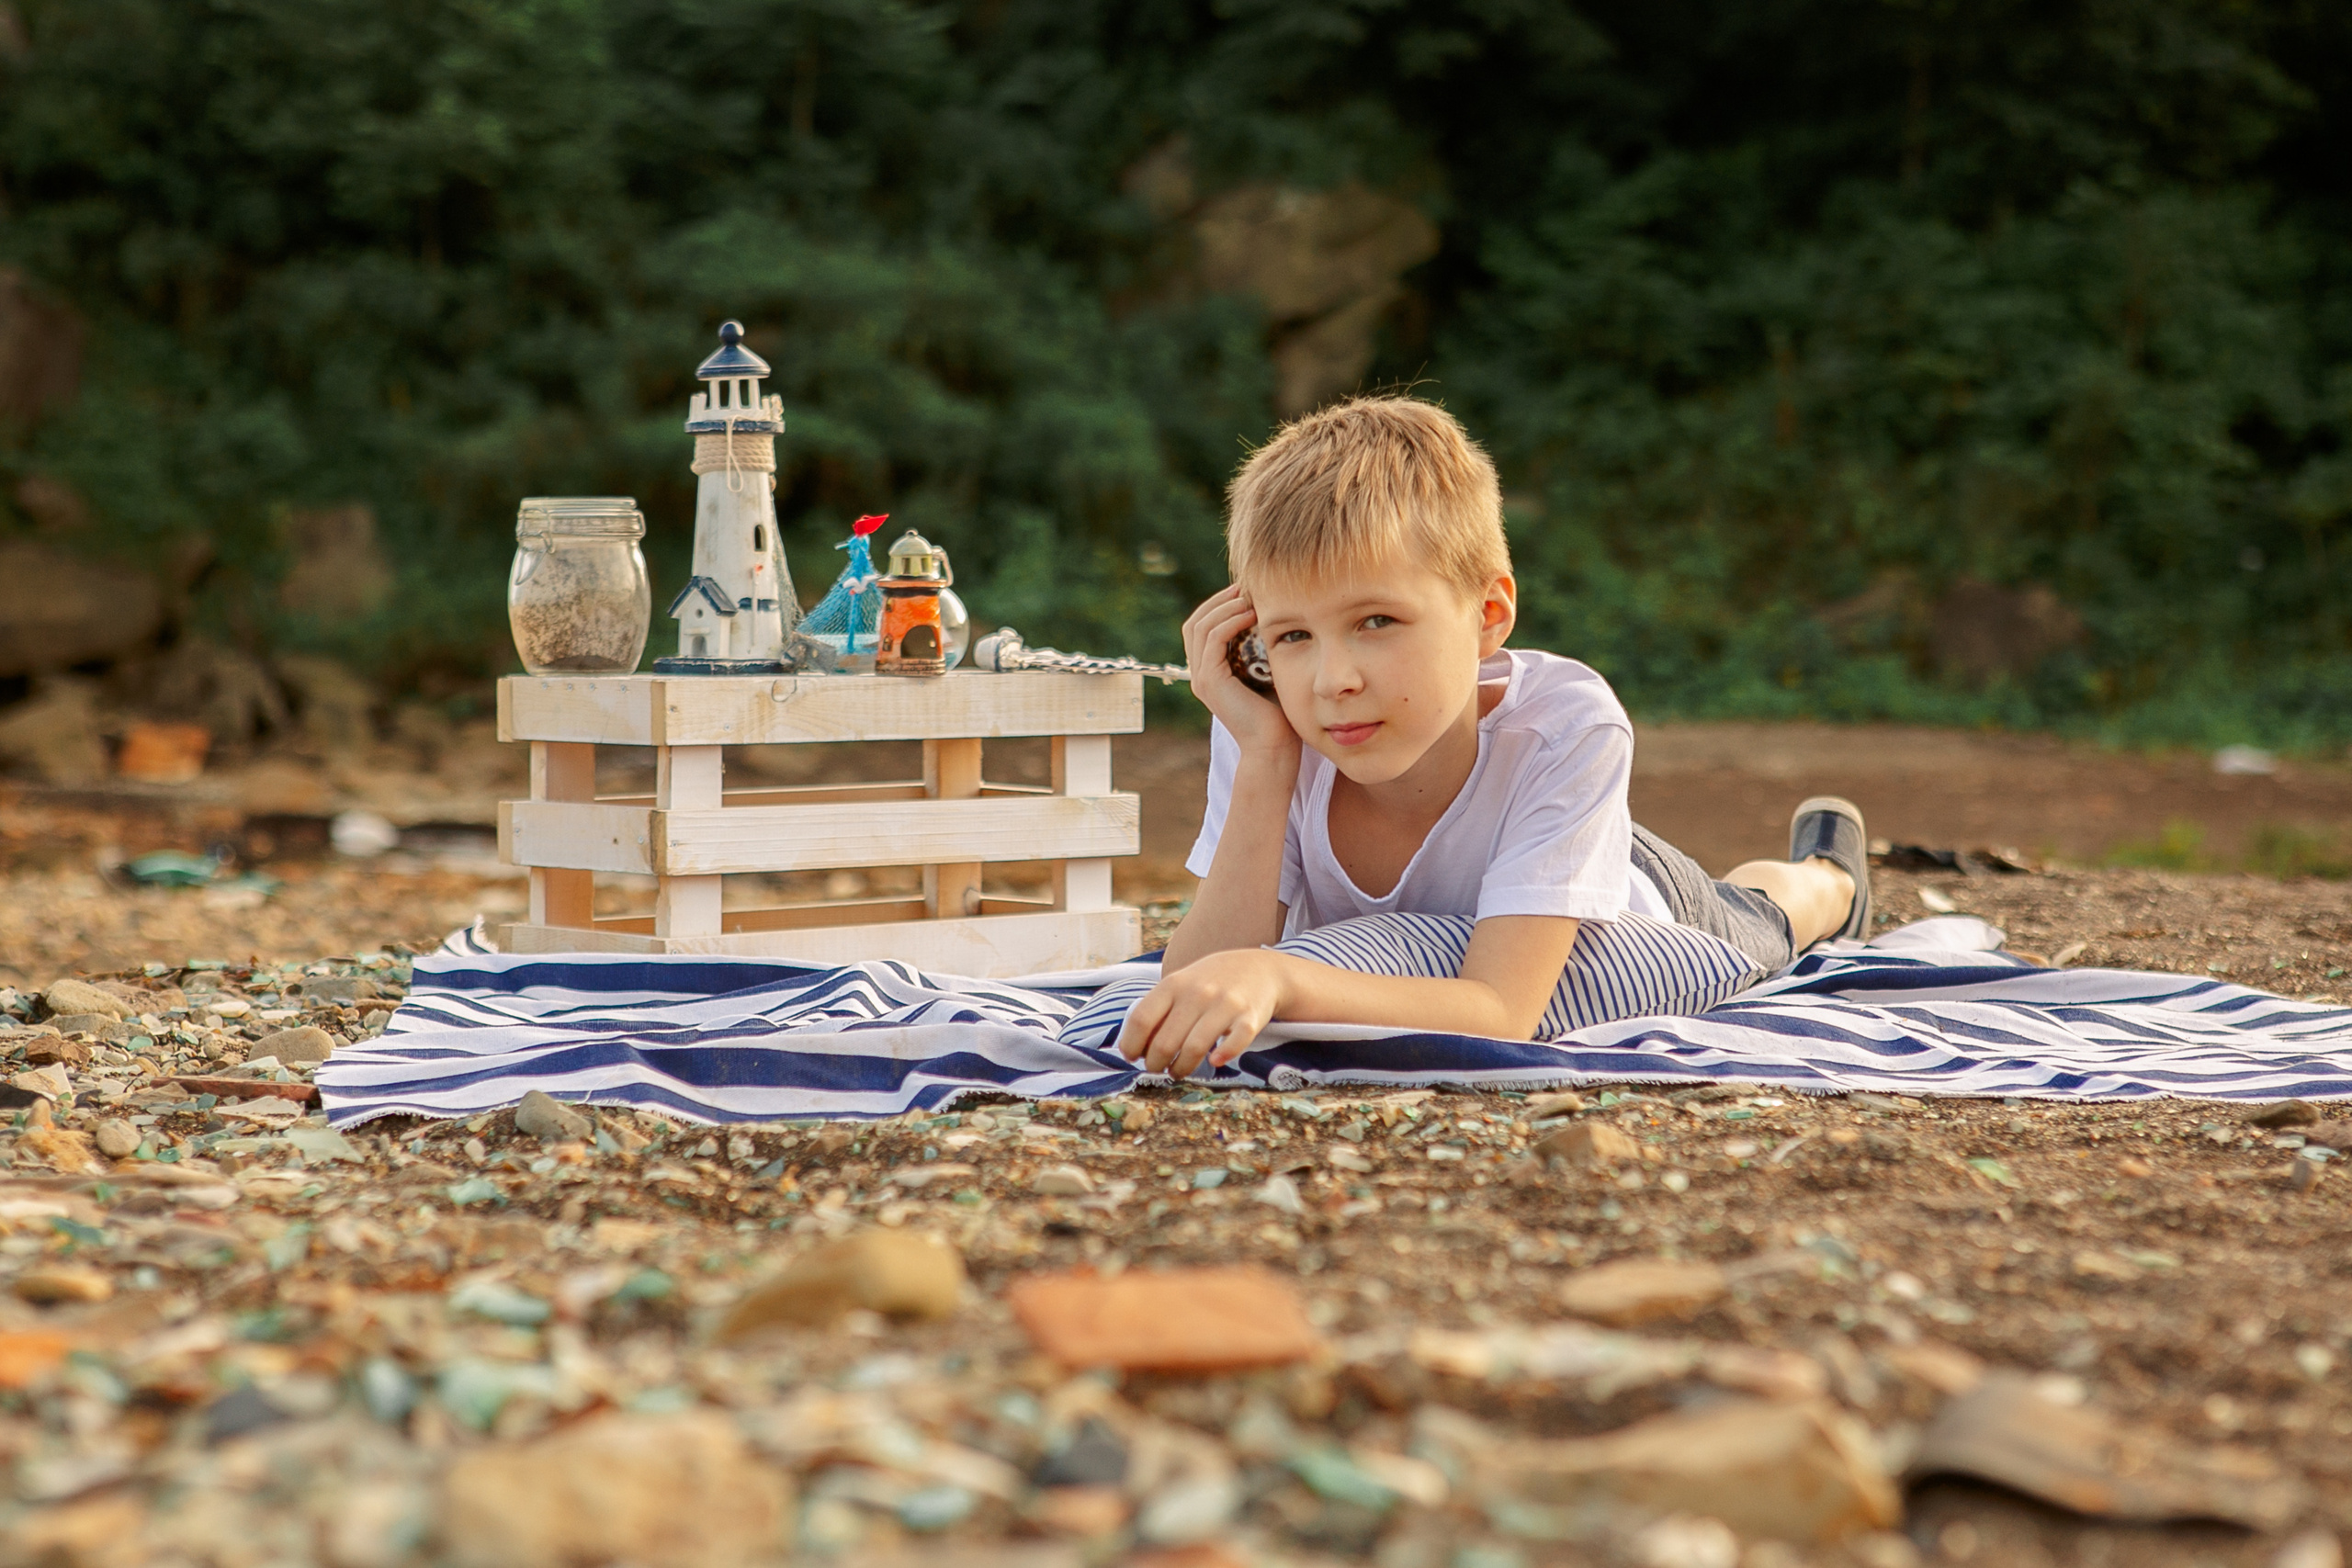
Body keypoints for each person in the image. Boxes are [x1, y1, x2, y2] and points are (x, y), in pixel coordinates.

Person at [1115, 395, 1871, 1078]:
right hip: (1509, 885)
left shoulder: (1565, 725)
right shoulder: (1272, 729)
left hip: (1636, 893)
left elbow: (1503, 1010)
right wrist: (1268, 760)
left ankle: (1832, 873)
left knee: (1768, 912)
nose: (1331, 679)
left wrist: (1281, 979)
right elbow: (1197, 978)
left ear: (1488, 614)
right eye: (1291, 635)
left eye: (1375, 621)